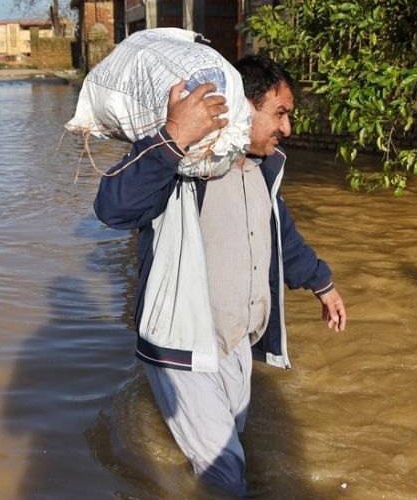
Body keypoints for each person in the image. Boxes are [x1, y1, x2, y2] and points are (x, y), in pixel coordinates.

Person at [93, 54, 346, 496]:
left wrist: (322, 283)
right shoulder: (186, 167)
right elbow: (112, 207)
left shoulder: (261, 168)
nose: (287, 129)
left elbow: (281, 236)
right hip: (185, 345)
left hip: (237, 342)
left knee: (230, 445)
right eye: (280, 114)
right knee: (225, 475)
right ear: (243, 106)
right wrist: (172, 137)